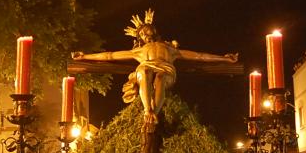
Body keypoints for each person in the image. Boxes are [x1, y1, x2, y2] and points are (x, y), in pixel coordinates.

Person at [73, 9, 237, 128]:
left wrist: (224, 58)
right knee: (144, 72)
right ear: (140, 38)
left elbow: (199, 56)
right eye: (142, 33)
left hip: (166, 70)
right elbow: (110, 56)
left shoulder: (171, 49)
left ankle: (154, 112)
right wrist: (85, 57)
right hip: (145, 68)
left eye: (147, 30)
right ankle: (148, 111)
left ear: (154, 30)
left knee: (160, 78)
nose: (146, 33)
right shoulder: (138, 51)